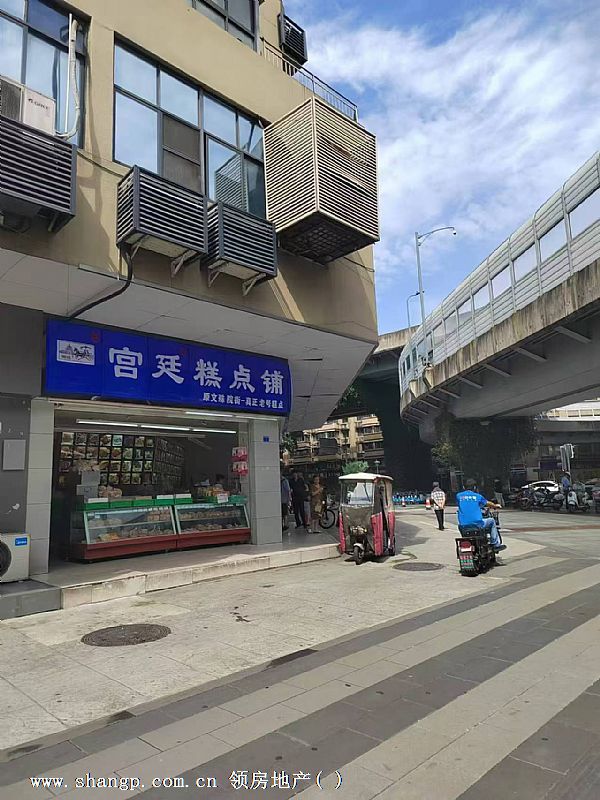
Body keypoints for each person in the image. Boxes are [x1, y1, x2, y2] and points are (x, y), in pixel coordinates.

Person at [456, 479, 506, 552]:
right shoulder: (478, 496)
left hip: (463, 526)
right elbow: (487, 503)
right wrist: (495, 505)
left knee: (461, 527)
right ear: (475, 487)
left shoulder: (458, 496)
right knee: (492, 521)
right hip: (477, 524)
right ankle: (495, 544)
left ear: (464, 487)